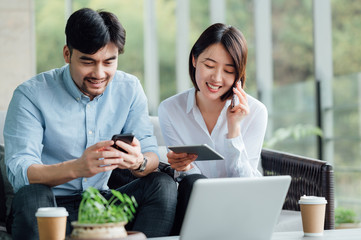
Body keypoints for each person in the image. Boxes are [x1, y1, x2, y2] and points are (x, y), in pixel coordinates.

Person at [4, 8, 177, 239]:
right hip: (50, 205)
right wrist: (77, 167)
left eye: (109, 62)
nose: (99, 73)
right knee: (32, 195)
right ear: (67, 54)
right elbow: (19, 171)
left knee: (161, 185)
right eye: (88, 61)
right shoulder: (31, 95)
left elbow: (150, 154)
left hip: (101, 203)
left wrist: (139, 162)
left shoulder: (130, 88)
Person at [158, 23, 268, 234]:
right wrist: (181, 167)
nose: (217, 78)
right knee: (191, 183)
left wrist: (233, 129)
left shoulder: (255, 112)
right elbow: (191, 182)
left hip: (241, 208)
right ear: (194, 60)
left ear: (239, 74)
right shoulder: (171, 110)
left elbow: (248, 185)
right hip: (194, 207)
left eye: (228, 71)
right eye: (209, 65)